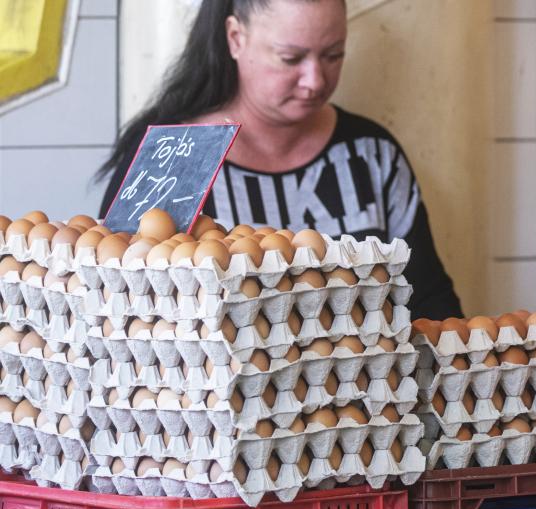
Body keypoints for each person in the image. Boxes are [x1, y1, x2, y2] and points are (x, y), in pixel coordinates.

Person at [97, 0, 462, 320]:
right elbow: (126, 313)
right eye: (292, 58)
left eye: (333, 54)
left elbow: (428, 299)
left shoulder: (371, 154)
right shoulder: (172, 161)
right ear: (236, 38)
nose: (315, 80)